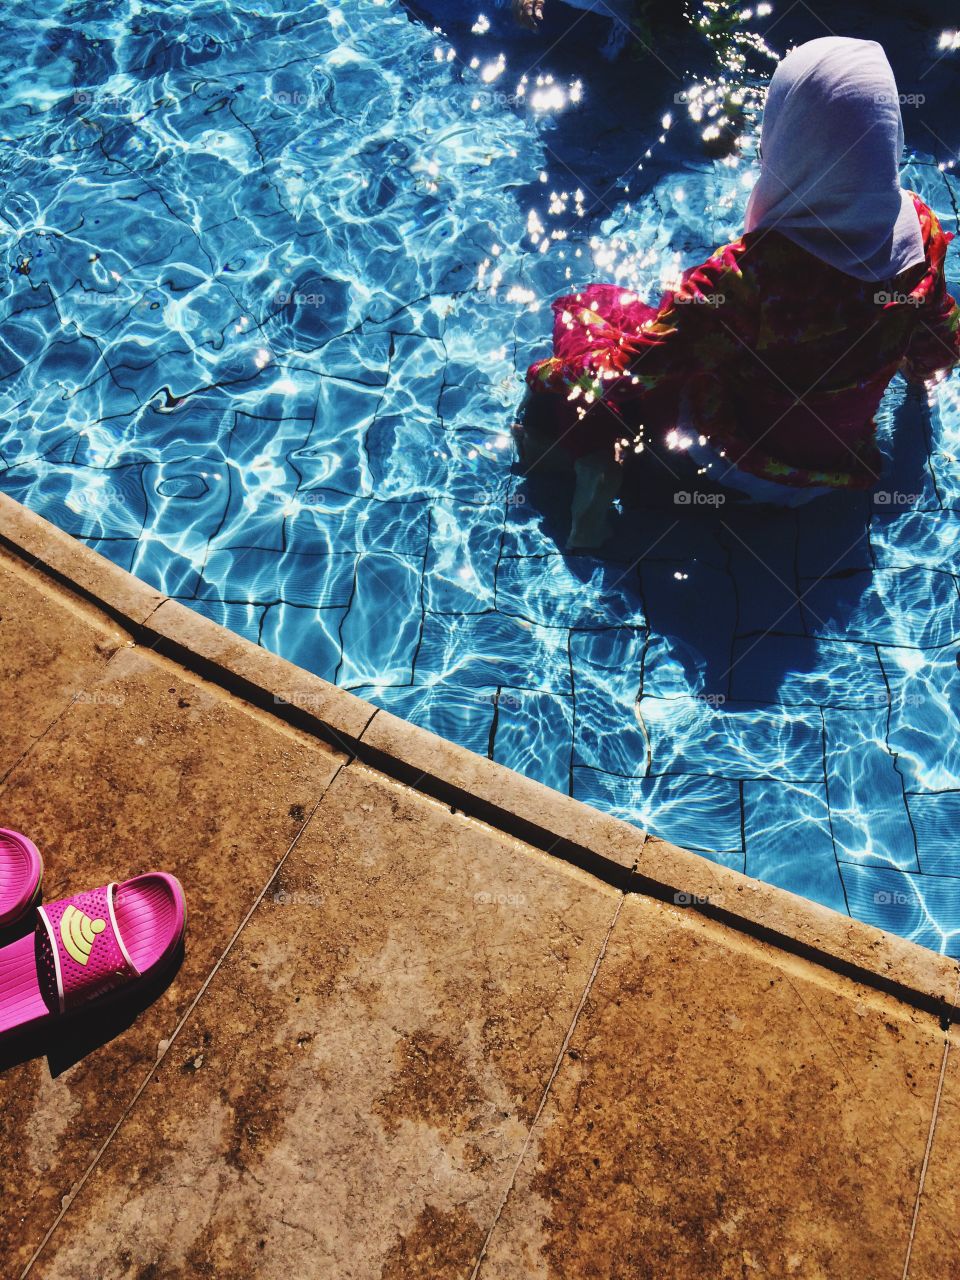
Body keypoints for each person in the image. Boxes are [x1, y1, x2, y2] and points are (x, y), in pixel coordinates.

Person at [519, 37, 960, 548]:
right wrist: (915, 373)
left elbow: (629, 374)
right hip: (837, 468)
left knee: (589, 309)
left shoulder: (744, 279)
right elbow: (940, 341)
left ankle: (593, 461)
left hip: (733, 463)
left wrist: (544, 379)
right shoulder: (921, 236)